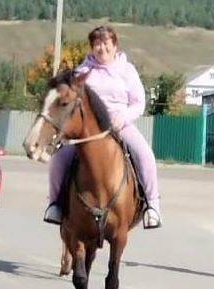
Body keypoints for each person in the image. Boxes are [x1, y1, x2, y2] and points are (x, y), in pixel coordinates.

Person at [44, 26, 162, 229]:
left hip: (119, 125)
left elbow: (138, 103)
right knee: (59, 158)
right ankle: (55, 205)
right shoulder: (82, 72)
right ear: (92, 47)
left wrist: (123, 118)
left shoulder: (127, 71)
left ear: (115, 45)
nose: (102, 48)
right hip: (87, 130)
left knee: (145, 155)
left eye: (106, 43)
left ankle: (152, 206)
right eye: (97, 44)